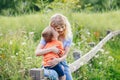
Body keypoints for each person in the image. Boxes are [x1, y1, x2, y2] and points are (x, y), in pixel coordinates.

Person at [35, 13, 73, 80]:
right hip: (49, 63)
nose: (61, 30)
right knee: (53, 75)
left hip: (62, 62)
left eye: (63, 27)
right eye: (58, 28)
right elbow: (37, 52)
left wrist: (58, 60)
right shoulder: (48, 36)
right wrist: (51, 49)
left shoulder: (68, 37)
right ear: (52, 27)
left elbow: (65, 55)